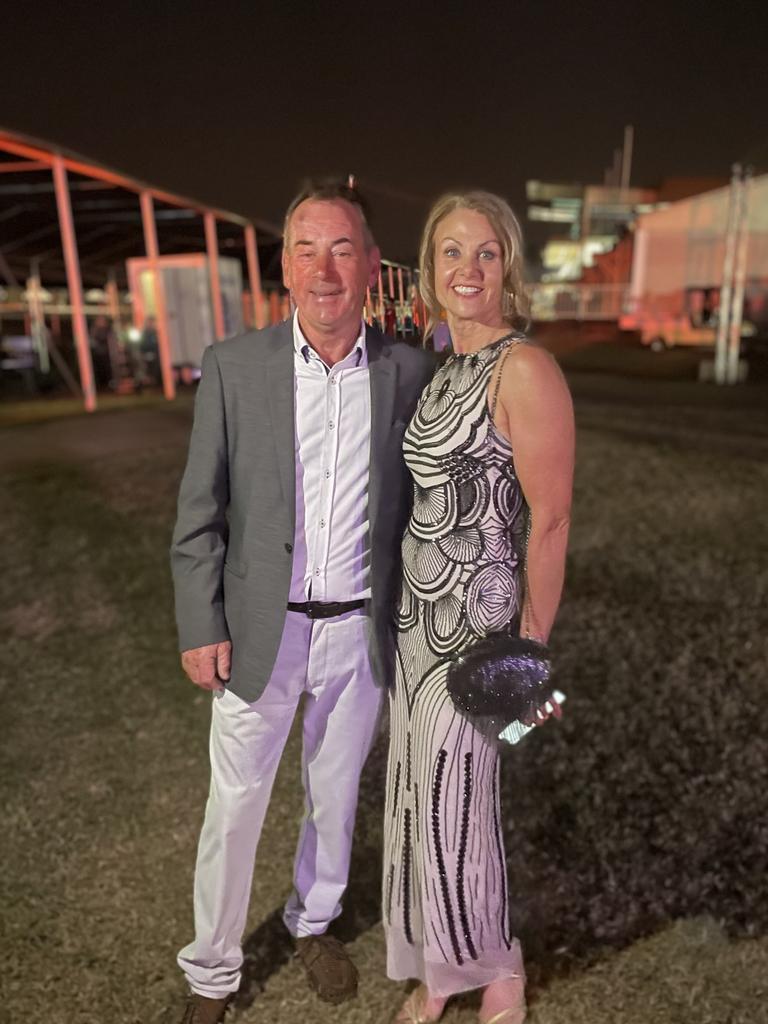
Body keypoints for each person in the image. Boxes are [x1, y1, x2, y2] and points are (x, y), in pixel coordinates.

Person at [171, 180, 434, 1024]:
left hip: (361, 632)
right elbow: (198, 514)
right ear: (285, 264)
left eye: (343, 249)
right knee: (235, 806)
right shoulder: (234, 366)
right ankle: (212, 971)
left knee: (335, 793)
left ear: (368, 267)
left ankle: (312, 921)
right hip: (260, 633)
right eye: (307, 249)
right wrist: (200, 622)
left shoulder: (408, 373)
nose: (325, 269)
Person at [382, 191, 575, 1024]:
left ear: (509, 267)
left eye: (485, 252)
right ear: (428, 269)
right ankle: (444, 966)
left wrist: (527, 650)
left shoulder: (523, 367)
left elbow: (552, 517)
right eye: (451, 253)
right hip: (416, 630)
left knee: (461, 807)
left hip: (482, 630)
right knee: (422, 803)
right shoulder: (441, 367)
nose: (467, 270)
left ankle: (495, 973)